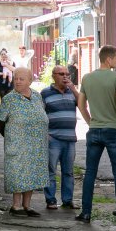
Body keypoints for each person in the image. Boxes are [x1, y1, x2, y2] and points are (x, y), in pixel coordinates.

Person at [75, 45, 116, 223]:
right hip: (114, 130)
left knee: (90, 172)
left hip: (94, 130)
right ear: (108, 59)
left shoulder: (87, 78)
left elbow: (81, 104)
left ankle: (86, 212)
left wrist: (90, 121)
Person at [0, 67, 49, 217]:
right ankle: (16, 206)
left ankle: (27, 205)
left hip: (36, 144)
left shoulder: (37, 96)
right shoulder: (10, 99)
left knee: (31, 172)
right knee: (18, 172)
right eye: (16, 78)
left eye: (21, 79)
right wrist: (10, 134)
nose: (17, 81)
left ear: (30, 81)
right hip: (17, 143)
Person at [42, 65, 81, 210]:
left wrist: (74, 89)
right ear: (53, 76)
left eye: (67, 74)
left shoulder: (72, 92)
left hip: (70, 139)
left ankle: (67, 200)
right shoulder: (45, 93)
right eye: (61, 74)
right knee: (51, 171)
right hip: (53, 139)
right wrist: (46, 135)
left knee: (68, 172)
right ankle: (51, 200)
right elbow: (40, 116)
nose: (65, 77)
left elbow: (83, 104)